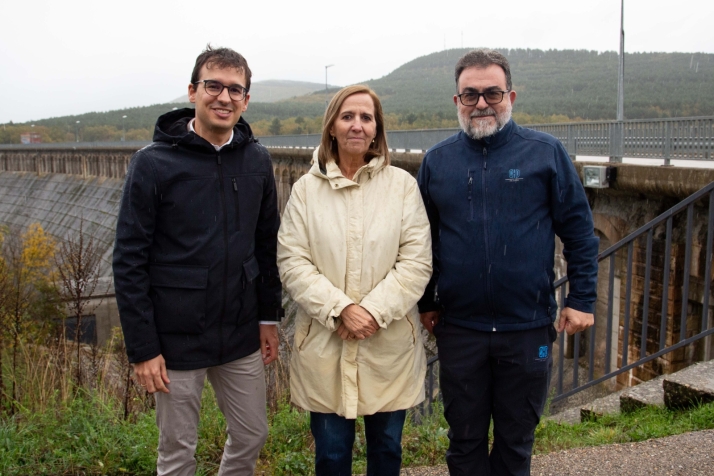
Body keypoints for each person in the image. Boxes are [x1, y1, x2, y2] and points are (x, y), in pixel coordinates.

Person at [417, 49, 599, 476]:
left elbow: (578, 232)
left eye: (492, 93)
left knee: (516, 444)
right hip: (460, 329)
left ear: (510, 95)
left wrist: (583, 298)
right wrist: (427, 301)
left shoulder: (546, 153)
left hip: (527, 327)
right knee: (464, 442)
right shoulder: (437, 162)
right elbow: (421, 242)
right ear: (456, 101)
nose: (481, 103)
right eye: (470, 95)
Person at [113, 45, 284, 476]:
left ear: (246, 100)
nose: (223, 97)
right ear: (193, 91)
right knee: (177, 450)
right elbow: (129, 259)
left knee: (251, 434)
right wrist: (144, 348)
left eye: (235, 90)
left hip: (240, 330)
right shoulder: (153, 164)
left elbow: (267, 245)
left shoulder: (257, 160)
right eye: (213, 86)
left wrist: (269, 317)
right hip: (176, 338)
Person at [277, 85, 432, 476]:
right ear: (331, 127)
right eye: (347, 117)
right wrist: (342, 309)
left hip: (388, 347)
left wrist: (371, 312)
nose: (357, 126)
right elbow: (293, 261)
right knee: (330, 455)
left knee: (387, 450)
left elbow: (416, 263)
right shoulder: (305, 192)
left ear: (377, 129)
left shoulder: (402, 187)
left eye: (366, 118)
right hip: (325, 348)